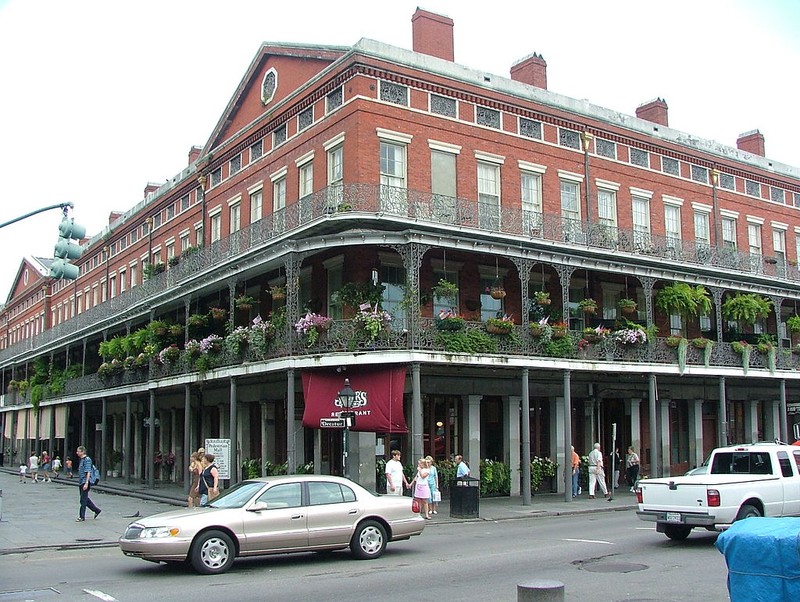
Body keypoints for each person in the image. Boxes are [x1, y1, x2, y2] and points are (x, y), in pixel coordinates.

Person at [75, 445, 101, 522]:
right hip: (81, 481)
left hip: (85, 481)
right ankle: (96, 510)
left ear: (82, 452)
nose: (77, 453)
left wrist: (86, 483)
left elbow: (88, 471)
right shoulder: (82, 460)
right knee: (84, 499)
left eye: (78, 451)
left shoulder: (87, 460)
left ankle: (82, 516)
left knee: (83, 500)